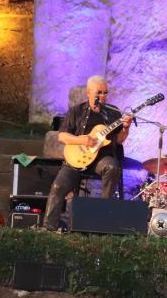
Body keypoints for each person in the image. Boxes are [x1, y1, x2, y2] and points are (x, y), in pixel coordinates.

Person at [43, 75, 132, 231]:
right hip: (76, 158)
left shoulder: (113, 113)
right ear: (89, 92)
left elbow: (119, 140)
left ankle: (101, 219)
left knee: (112, 167)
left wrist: (126, 127)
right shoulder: (76, 111)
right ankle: (48, 228)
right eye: (99, 92)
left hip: (101, 159)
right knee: (58, 186)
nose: (102, 96)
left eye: (105, 93)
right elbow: (62, 136)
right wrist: (82, 141)